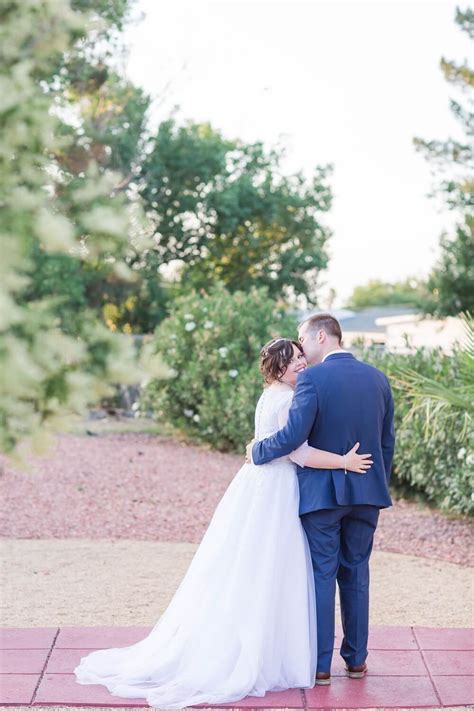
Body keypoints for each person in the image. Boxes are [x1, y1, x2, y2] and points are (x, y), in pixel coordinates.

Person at [74, 336, 372, 709]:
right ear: (278, 368)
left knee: (256, 566)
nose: (301, 363)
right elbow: (298, 450)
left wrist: (257, 449)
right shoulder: (287, 398)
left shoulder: (270, 396)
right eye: (294, 359)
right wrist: (343, 461)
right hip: (277, 489)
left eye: (301, 357)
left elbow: (267, 442)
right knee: (275, 567)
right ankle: (274, 651)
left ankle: (275, 645)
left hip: (260, 486)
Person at [250, 314, 395, 686]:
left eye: (303, 339)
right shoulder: (378, 379)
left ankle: (320, 666)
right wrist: (377, 483)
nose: (302, 350)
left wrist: (257, 451)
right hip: (366, 492)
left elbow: (294, 436)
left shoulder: (312, 379)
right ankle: (357, 661)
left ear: (320, 336)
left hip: (322, 496)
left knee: (321, 576)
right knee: (357, 573)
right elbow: (386, 442)